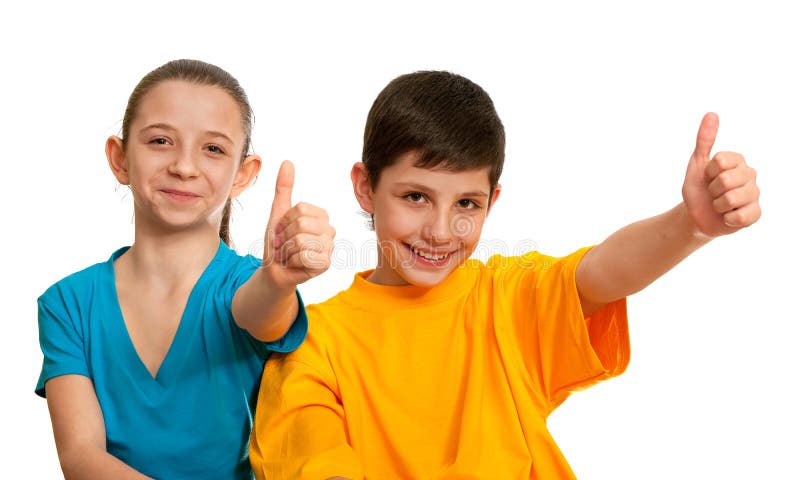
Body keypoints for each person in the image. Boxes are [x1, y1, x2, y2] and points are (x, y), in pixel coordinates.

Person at [248, 71, 761, 479]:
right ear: (365, 187)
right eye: (415, 197)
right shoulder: (311, 343)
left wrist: (690, 224)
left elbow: (603, 271)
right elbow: (313, 458)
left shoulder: (504, 298)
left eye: (466, 203)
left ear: (493, 201)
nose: (441, 231)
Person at [35, 59, 336, 479]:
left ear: (243, 175)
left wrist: (277, 280)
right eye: (160, 141)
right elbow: (81, 457)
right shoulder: (67, 303)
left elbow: (261, 313)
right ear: (120, 159)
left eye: (213, 148)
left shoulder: (247, 285)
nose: (185, 166)